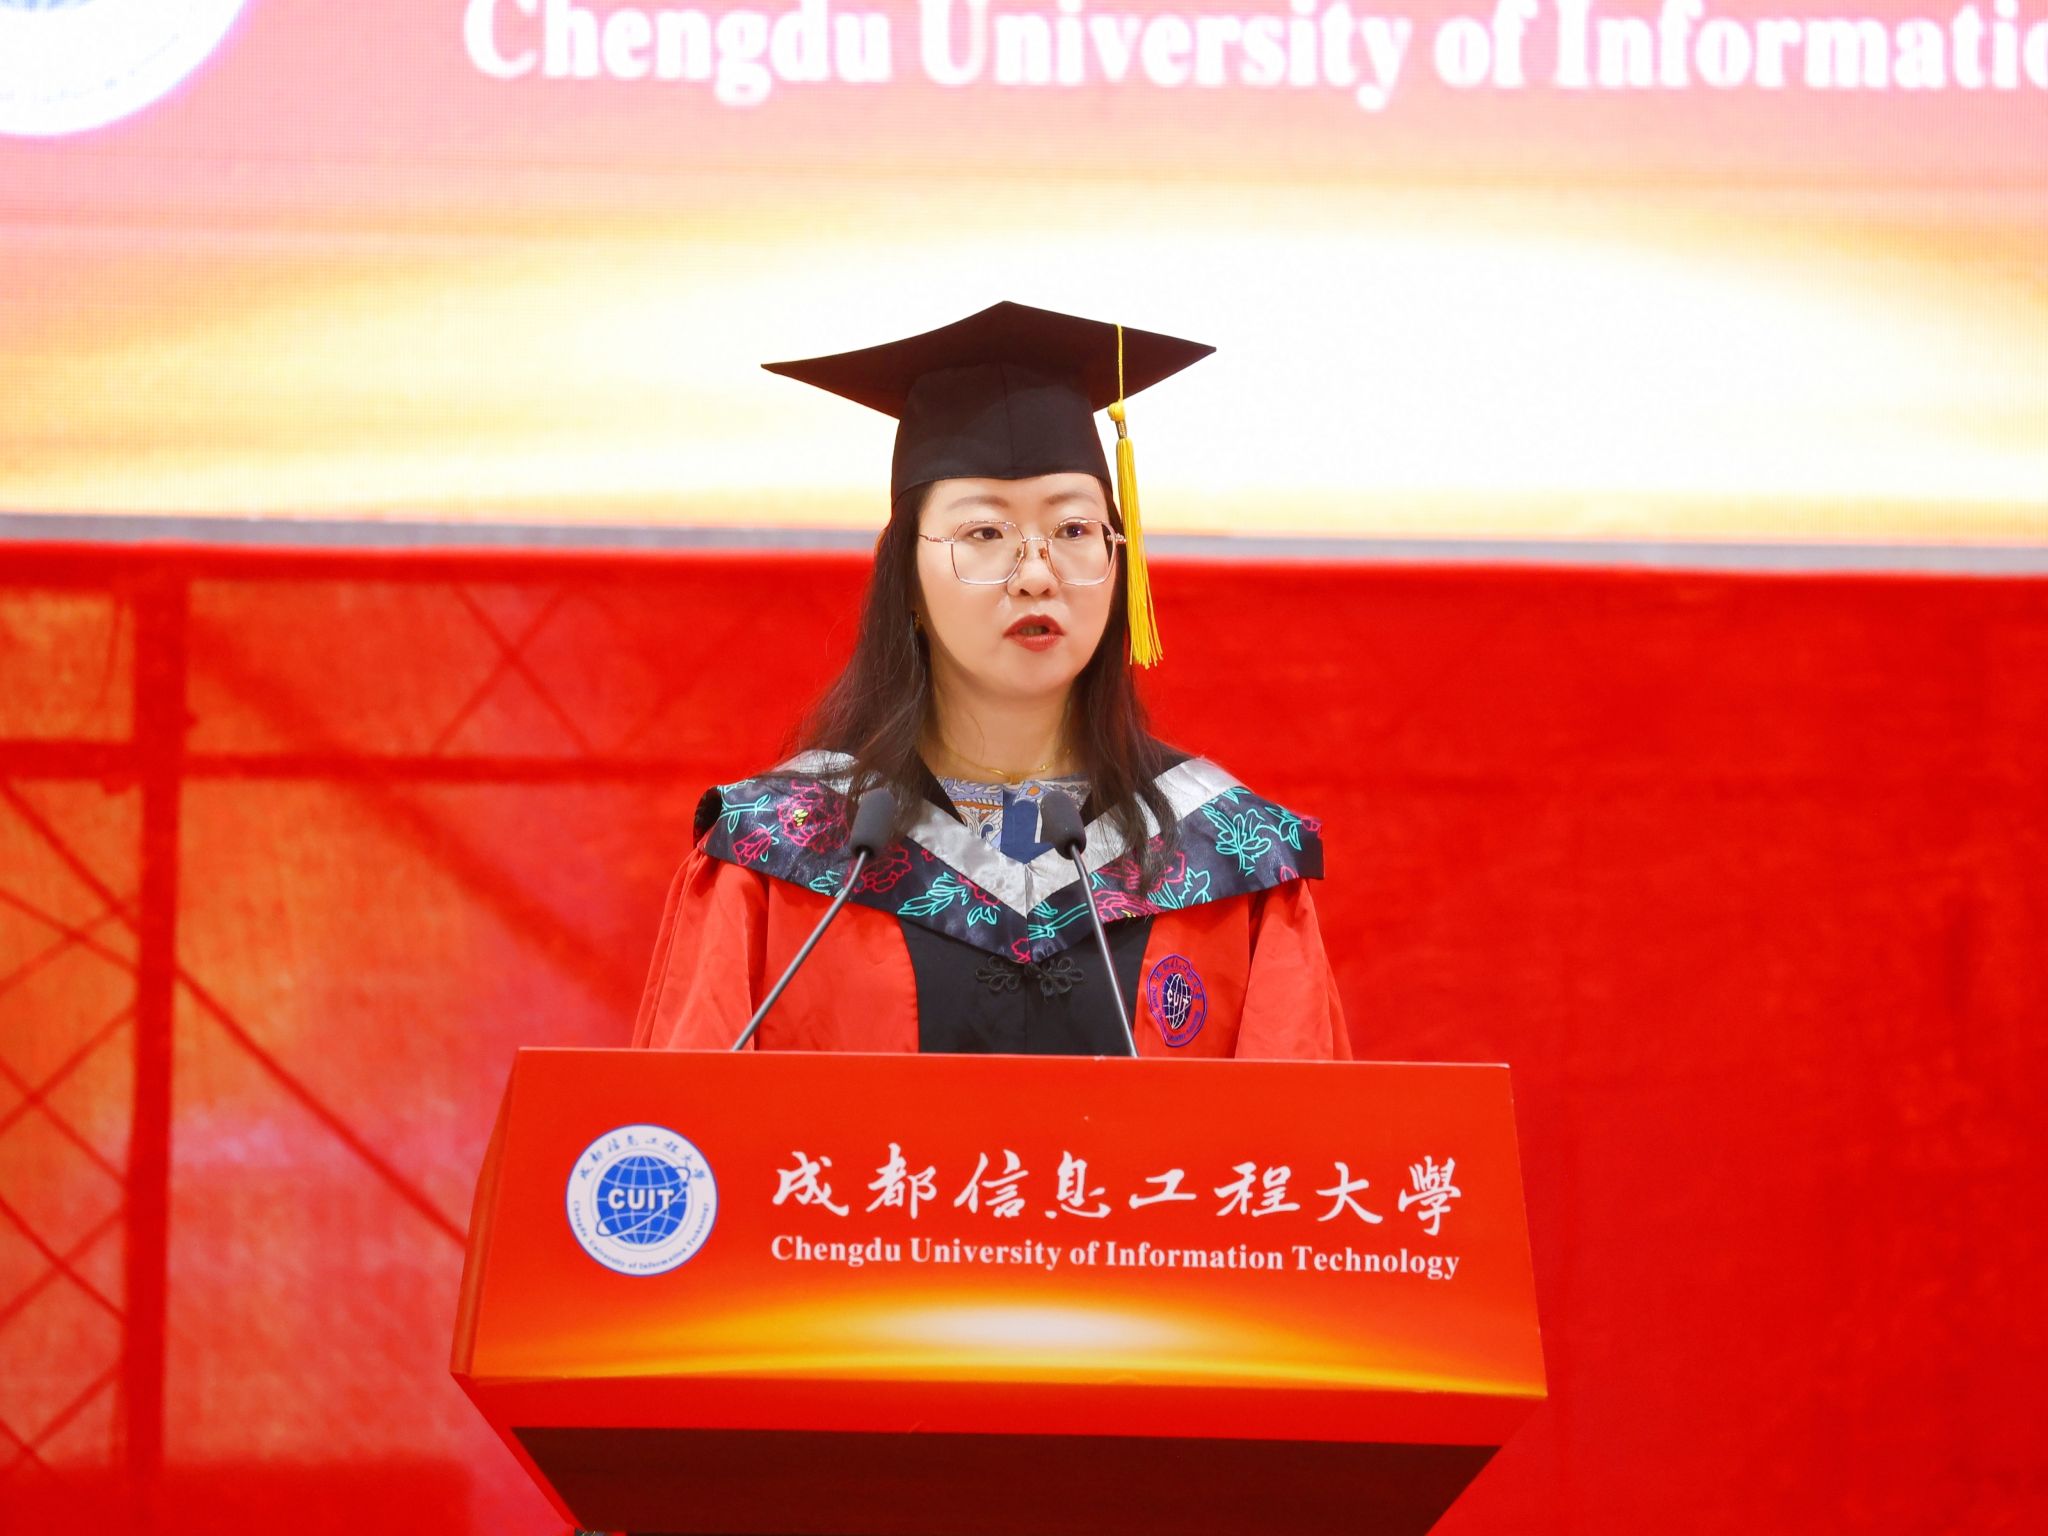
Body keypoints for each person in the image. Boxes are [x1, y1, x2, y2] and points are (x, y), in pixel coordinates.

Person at [633, 301, 1348, 1059]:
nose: (1037, 573)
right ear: (906, 580)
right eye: (984, 532)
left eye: (1074, 530)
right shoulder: (781, 854)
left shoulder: (1230, 858)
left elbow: (1300, 1124)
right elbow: (687, 1121)